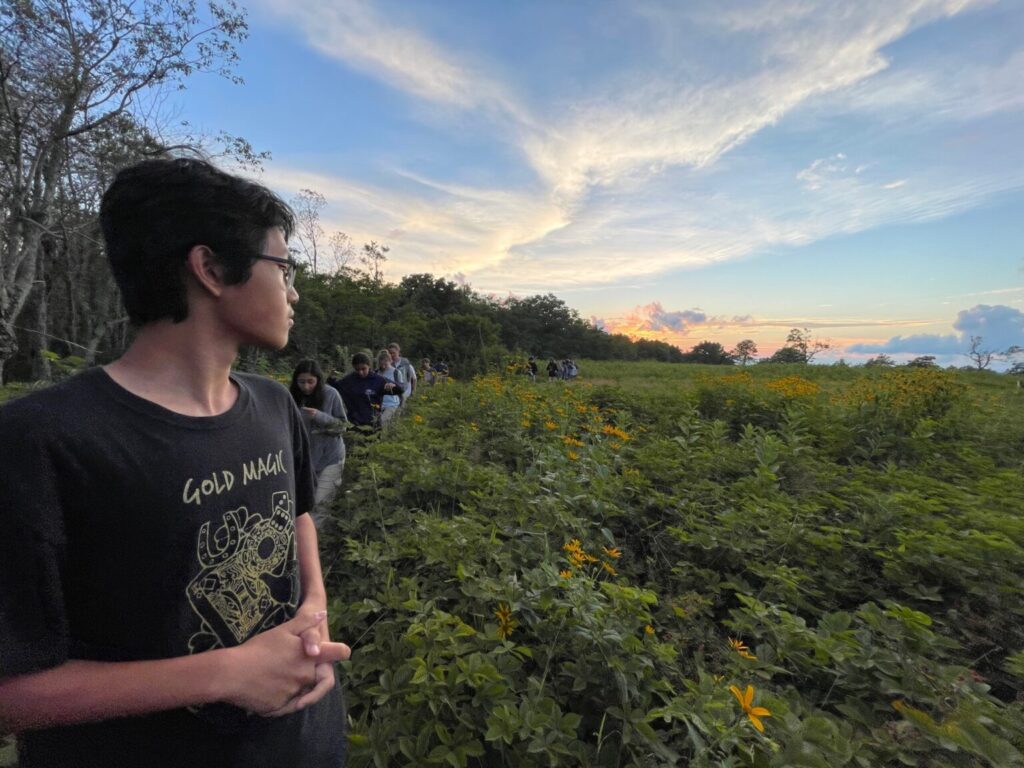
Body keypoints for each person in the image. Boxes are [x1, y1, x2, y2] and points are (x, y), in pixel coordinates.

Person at [0, 158, 350, 768]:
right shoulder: (43, 440)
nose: (293, 292)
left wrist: (312, 610)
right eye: (285, 268)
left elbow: (298, 520)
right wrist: (225, 674)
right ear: (211, 268)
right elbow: (12, 694)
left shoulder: (272, 404)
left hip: (304, 744)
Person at [290, 360, 348, 525]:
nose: (306, 386)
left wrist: (320, 416)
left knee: (320, 504)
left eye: (310, 382)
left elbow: (343, 426)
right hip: (304, 460)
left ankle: (314, 544)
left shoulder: (331, 394)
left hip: (331, 457)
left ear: (318, 380)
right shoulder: (292, 397)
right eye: (301, 382)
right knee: (303, 504)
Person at [335, 352, 403, 429]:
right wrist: (331, 378)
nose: (360, 372)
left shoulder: (378, 380)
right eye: (357, 369)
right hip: (354, 423)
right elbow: (333, 389)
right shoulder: (349, 380)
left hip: (373, 424)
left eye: (363, 369)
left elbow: (400, 390)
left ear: (369, 366)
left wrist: (394, 386)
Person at [375, 349, 402, 429]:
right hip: (378, 404)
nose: (383, 366)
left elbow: (401, 389)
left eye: (385, 364)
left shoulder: (396, 372)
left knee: (383, 422)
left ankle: (383, 440)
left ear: (390, 361)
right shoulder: (376, 372)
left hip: (392, 403)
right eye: (381, 364)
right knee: (376, 425)